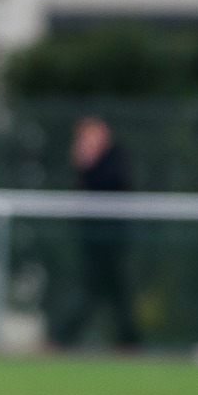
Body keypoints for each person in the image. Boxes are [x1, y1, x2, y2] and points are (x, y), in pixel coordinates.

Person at [55, 115, 140, 348]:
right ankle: (129, 340)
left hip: (111, 238)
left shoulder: (114, 160)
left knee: (100, 290)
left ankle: (61, 337)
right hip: (92, 238)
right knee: (109, 290)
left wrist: (88, 163)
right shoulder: (86, 164)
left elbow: (114, 185)